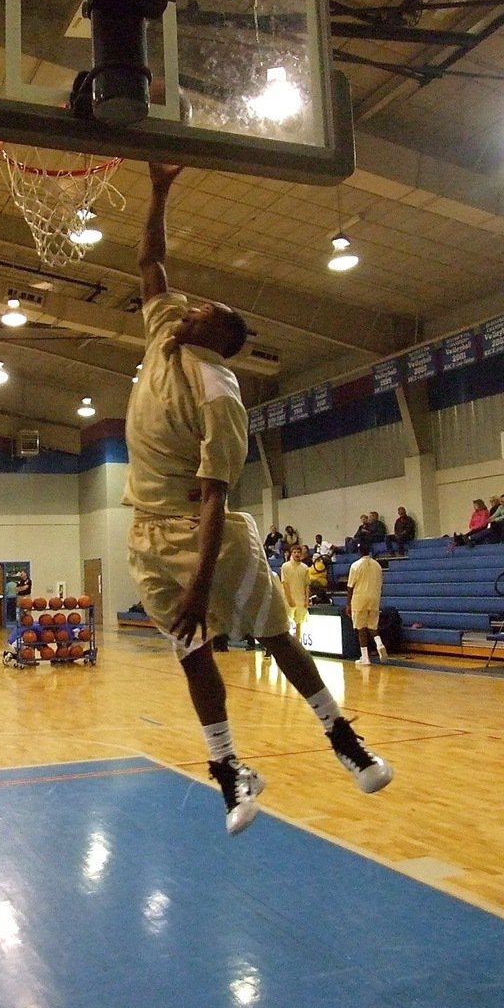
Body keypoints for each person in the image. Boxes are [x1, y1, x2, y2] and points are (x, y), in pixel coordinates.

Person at [122, 164, 392, 835]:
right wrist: (158, 190)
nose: (188, 310)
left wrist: (200, 581)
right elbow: (151, 261)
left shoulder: (219, 393)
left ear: (224, 340)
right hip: (148, 532)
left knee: (274, 635)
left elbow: (215, 500)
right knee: (191, 653)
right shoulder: (164, 331)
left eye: (203, 314)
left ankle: (341, 735)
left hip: (203, 528)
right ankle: (228, 769)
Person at [346, 541, 388, 666]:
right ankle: (379, 643)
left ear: (359, 551)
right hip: (374, 598)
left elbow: (350, 586)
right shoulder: (378, 566)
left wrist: (348, 603)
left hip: (360, 598)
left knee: (361, 628)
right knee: (372, 626)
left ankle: (365, 657)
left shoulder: (355, 566)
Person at [280, 544, 311, 644]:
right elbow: (284, 583)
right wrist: (289, 599)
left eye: (298, 552)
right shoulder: (285, 566)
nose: (297, 554)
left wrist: (307, 599)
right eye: (295, 552)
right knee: (287, 624)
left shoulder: (305, 568)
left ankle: (297, 645)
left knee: (299, 623)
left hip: (301, 600)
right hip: (289, 600)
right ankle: (286, 645)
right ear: (291, 553)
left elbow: (307, 585)